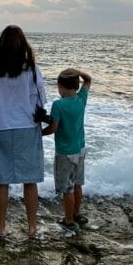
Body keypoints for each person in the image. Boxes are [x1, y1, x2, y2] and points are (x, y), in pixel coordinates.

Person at [0, 25, 46, 237]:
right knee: (30, 180)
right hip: (28, 127)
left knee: (2, 181)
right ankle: (32, 227)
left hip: (2, 128)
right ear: (23, 45)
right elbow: (41, 101)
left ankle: (0, 227)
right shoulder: (32, 70)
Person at [42, 68, 92, 230]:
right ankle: (76, 214)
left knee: (67, 189)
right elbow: (88, 80)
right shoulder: (81, 99)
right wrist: (77, 72)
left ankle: (68, 221)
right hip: (80, 149)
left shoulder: (58, 104)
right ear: (76, 86)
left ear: (60, 86)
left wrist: (39, 134)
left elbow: (53, 128)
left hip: (65, 152)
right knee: (77, 184)